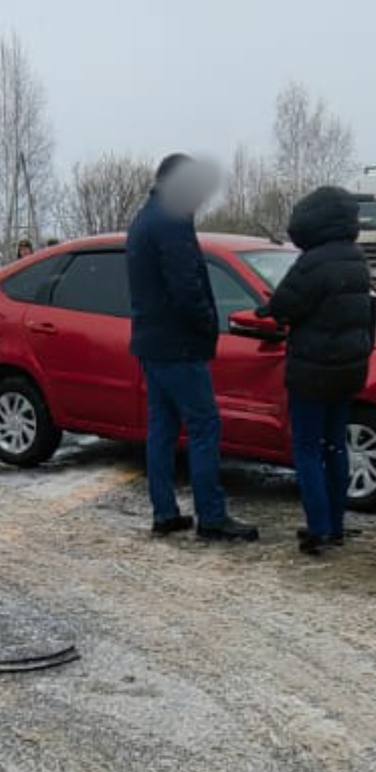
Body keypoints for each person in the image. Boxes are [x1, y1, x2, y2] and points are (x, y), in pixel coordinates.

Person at [126, 153, 258, 542]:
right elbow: (186, 287)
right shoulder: (170, 222)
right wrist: (207, 325)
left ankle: (164, 512)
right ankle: (212, 518)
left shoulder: (145, 219)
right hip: (179, 345)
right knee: (204, 427)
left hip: (153, 343)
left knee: (162, 430)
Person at [260, 186, 376, 554]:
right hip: (347, 371)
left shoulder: (312, 262)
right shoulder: (356, 258)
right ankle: (337, 525)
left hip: (312, 371)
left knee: (308, 449)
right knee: (335, 447)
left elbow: (283, 305)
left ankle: (318, 529)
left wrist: (268, 312)